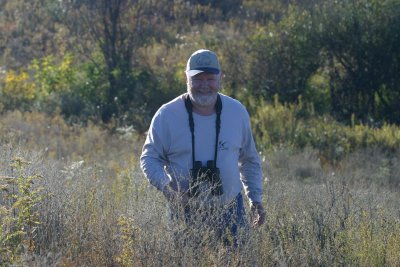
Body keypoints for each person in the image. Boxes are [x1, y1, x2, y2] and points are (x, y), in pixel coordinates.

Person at [140, 49, 265, 246]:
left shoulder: (237, 111)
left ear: (220, 79)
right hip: (184, 211)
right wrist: (167, 189)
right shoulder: (167, 115)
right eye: (197, 79)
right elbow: (149, 158)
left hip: (231, 208)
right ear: (186, 79)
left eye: (210, 79)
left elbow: (249, 159)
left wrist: (255, 199)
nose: (204, 85)